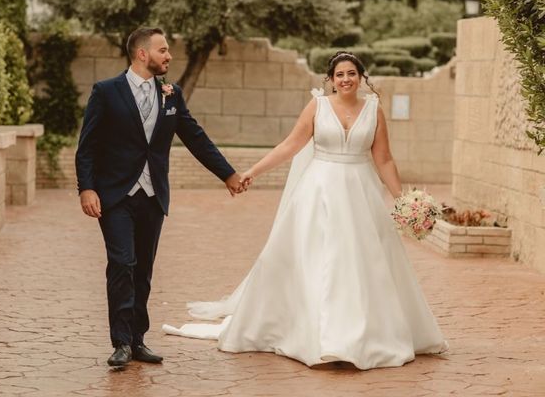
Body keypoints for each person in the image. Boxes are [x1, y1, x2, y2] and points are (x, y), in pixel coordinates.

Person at [163, 51, 448, 370]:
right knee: (321, 260)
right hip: (320, 193)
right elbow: (290, 146)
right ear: (330, 80)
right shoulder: (318, 106)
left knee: (362, 262)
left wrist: (402, 200)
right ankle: (321, 337)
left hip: (361, 195)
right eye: (339, 74)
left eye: (351, 73)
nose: (346, 79)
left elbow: (384, 159)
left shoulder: (373, 110)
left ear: (361, 77)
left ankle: (362, 335)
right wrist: (251, 172)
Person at [75, 27, 244, 369]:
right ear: (142, 54)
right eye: (163, 50)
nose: (169, 56)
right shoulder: (106, 92)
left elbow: (196, 138)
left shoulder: (171, 94)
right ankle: (120, 342)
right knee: (122, 263)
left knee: (144, 271)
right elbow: (87, 146)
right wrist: (86, 188)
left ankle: (138, 340)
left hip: (153, 196)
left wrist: (228, 174)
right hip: (116, 195)